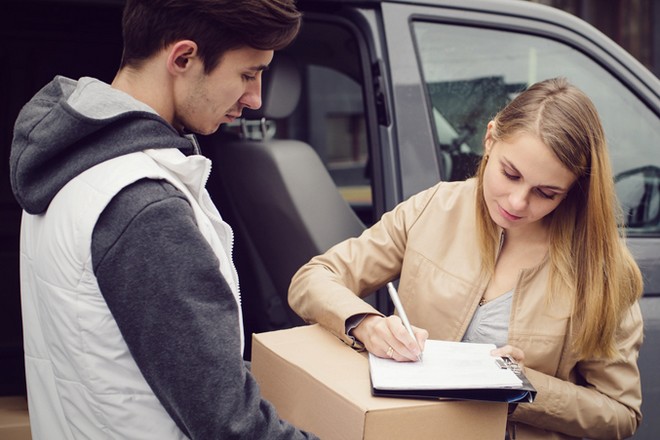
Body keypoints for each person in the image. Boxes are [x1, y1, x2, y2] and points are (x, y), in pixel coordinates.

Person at [9, 0, 319, 438]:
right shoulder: (145, 206)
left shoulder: (71, 164)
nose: (255, 99)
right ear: (183, 58)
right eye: (249, 73)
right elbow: (231, 426)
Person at [289, 78, 644, 440]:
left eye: (546, 193)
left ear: (573, 190)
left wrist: (526, 388)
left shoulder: (603, 269)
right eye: (511, 174)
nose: (517, 203)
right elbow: (313, 278)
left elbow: (621, 414)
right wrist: (365, 324)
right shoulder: (433, 208)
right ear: (489, 139)